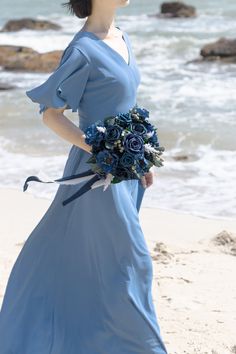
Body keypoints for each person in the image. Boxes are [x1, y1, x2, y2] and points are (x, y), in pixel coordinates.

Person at [0, 0, 168, 353]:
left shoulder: (121, 36)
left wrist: (143, 157)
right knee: (131, 260)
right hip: (97, 176)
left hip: (126, 174)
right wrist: (100, 147)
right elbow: (51, 114)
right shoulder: (83, 49)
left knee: (95, 258)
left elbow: (125, 105)